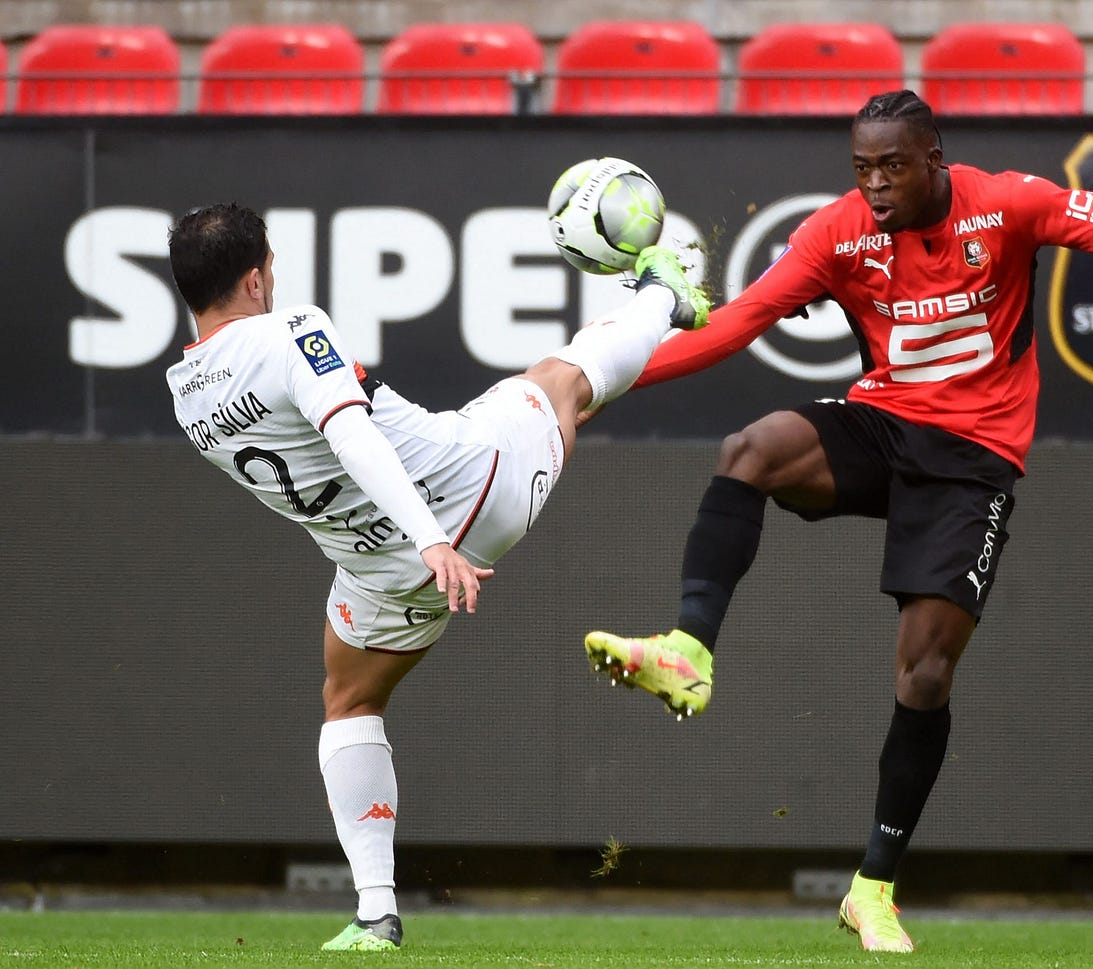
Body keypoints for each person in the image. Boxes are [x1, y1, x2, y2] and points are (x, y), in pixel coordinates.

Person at [582, 90, 1093, 953]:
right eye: (861, 168)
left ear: (934, 158)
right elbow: (738, 322)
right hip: (884, 422)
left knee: (925, 675)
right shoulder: (837, 233)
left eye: (891, 166)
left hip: (974, 460)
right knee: (749, 449)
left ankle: (872, 889)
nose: (874, 185)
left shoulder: (1007, 203)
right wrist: (594, 382)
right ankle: (689, 650)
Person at [165, 202, 710, 951]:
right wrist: (432, 539)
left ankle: (375, 912)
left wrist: (413, 549)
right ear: (256, 278)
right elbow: (350, 433)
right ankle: (663, 299)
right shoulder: (289, 330)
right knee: (559, 384)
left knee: (349, 701)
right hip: (469, 489)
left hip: (377, 569)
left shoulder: (186, 394)